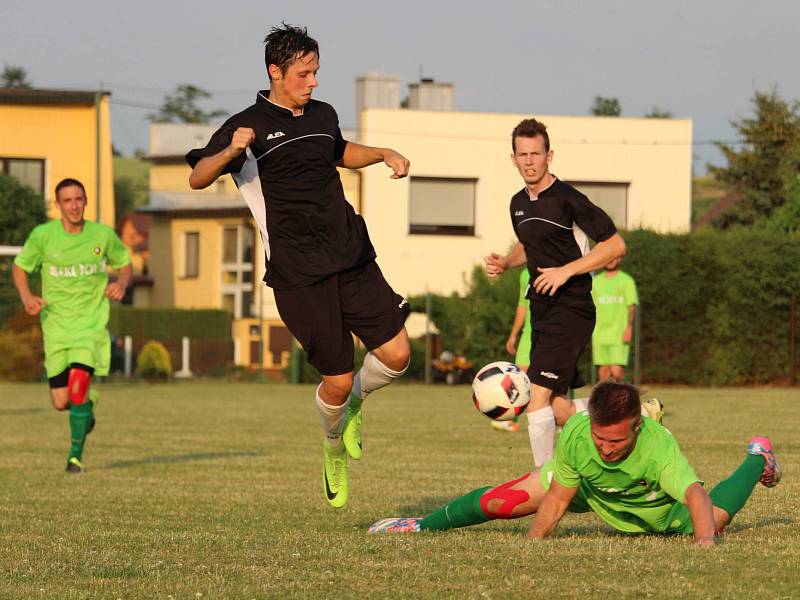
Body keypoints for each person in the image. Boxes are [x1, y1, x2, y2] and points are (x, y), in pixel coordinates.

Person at [186, 23, 411, 509]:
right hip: (297, 271)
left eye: (316, 72)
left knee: (397, 356)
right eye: (304, 74)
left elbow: (339, 152)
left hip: (350, 252)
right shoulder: (245, 124)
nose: (313, 82)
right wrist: (229, 150)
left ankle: (355, 408)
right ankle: (332, 447)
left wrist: (382, 153)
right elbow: (197, 178)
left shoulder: (323, 113)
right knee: (338, 378)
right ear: (276, 72)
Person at [369, 382, 781, 545]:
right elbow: (559, 495)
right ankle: (421, 524)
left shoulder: (657, 448)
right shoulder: (580, 434)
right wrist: (534, 541)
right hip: (588, 488)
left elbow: (692, 494)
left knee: (716, 516)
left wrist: (705, 544)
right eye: (601, 437)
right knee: (503, 502)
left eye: (616, 440)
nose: (605, 447)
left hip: (652, 506)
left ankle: (756, 456)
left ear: (638, 426)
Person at [484, 118, 626, 468]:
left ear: (549, 155)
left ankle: (544, 480)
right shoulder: (517, 203)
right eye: (523, 154)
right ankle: (638, 415)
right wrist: (506, 262)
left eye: (536, 153)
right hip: (542, 310)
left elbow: (615, 245)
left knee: (535, 398)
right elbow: (528, 245)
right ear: (513, 159)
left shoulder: (568, 199)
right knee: (558, 408)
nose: (529, 161)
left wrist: (567, 271)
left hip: (573, 308)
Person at [12, 178, 132, 473]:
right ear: (58, 205)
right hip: (55, 327)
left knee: (77, 386)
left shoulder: (102, 235)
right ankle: (86, 409)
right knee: (62, 401)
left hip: (90, 326)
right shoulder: (43, 236)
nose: (74, 205)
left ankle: (74, 457)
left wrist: (122, 282)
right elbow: (19, 267)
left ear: (86, 201)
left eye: (79, 199)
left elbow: (125, 262)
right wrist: (27, 296)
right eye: (67, 200)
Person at [592, 256, 638, 381]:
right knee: (603, 372)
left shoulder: (626, 281)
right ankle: (604, 399)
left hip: (619, 333)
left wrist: (629, 328)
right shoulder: (595, 281)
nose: (610, 261)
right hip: (599, 333)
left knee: (616, 370)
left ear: (619, 259)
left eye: (614, 258)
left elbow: (632, 307)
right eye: (608, 257)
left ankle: (622, 397)